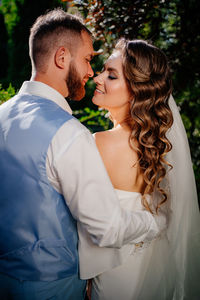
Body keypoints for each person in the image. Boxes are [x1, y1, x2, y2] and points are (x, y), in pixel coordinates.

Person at [0, 9, 167, 300]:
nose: (92, 73)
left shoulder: (2, 115)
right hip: (53, 287)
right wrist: (157, 223)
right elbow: (108, 228)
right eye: (88, 60)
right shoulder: (69, 133)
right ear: (62, 58)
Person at [78, 39, 200, 299]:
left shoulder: (99, 143)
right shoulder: (158, 147)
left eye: (111, 75)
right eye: (103, 71)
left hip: (111, 272)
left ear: (136, 91)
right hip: (152, 269)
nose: (97, 78)